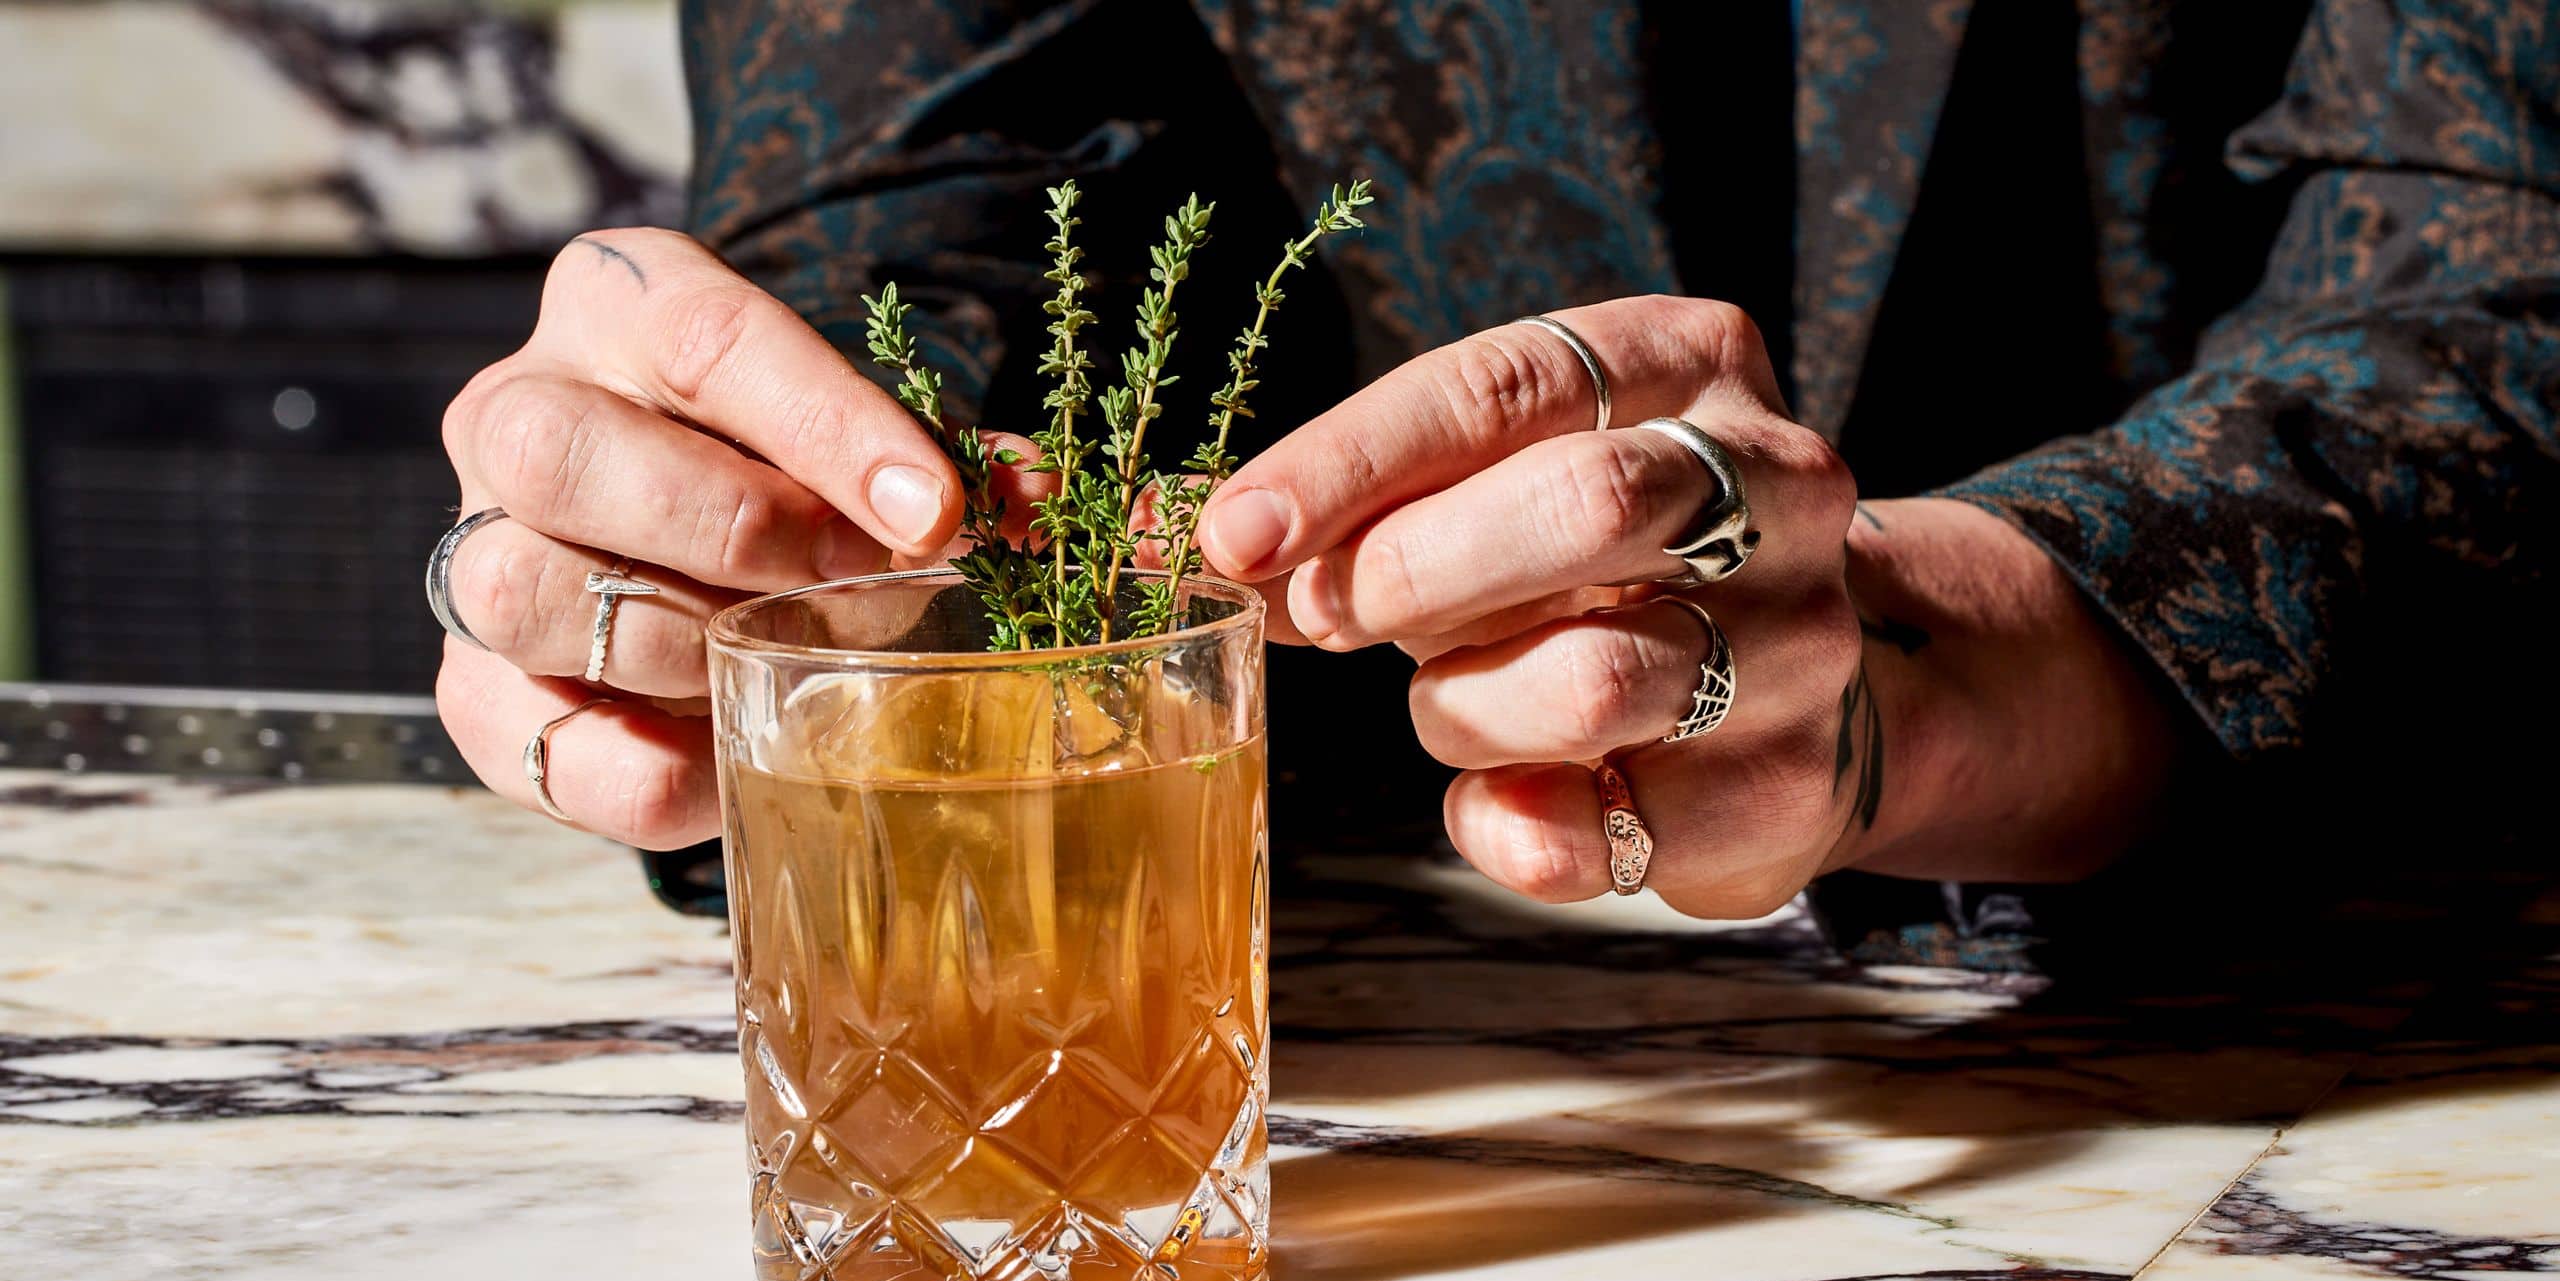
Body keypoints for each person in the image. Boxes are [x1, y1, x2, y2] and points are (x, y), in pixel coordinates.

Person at [428, 0, 2557, 924]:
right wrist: (720, 499)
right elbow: (924, 203)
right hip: (1329, 994)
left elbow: (2496, 267)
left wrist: (1915, 666)